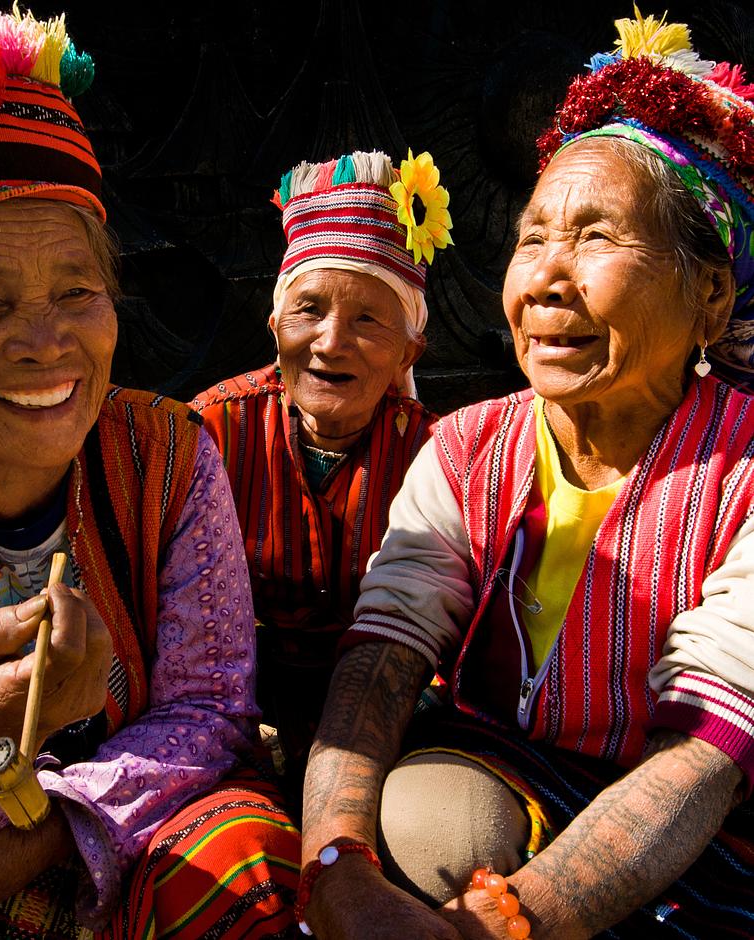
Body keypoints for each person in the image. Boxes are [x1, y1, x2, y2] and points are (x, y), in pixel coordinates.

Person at [0, 8, 299, 939]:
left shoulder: (167, 455)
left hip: (146, 845)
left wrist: (47, 832)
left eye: (77, 290)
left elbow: (213, 715)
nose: (49, 345)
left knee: (242, 860)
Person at [298, 9, 754, 940]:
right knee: (424, 822)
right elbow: (385, 654)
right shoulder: (470, 448)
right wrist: (335, 869)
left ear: (710, 294)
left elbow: (709, 751)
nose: (546, 279)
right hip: (509, 781)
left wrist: (511, 924)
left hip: (710, 825)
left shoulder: (746, 468)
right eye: (531, 237)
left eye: (594, 238)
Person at [190, 150, 453, 792]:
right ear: (276, 325)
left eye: (367, 319)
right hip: (236, 695)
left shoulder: (438, 454)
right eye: (309, 311)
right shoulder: (214, 431)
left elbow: (451, 635)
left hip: (386, 699)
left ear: (407, 352)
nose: (331, 342)